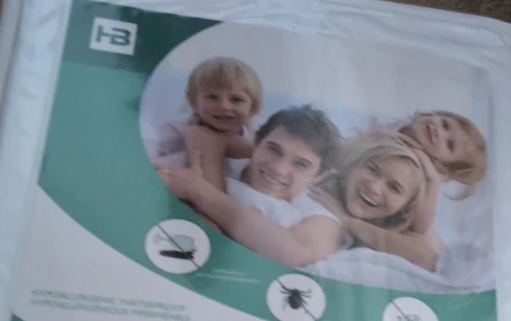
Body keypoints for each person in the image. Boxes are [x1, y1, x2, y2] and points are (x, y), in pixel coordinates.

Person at [155, 105, 344, 269]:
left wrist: (198, 190)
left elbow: (294, 252)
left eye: (300, 164)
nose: (279, 168)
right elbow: (201, 137)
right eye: (274, 149)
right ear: (256, 140)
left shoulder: (318, 215)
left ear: (320, 176)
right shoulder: (220, 164)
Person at [310, 130, 443, 271]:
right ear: (356, 165)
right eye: (373, 170)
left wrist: (349, 223)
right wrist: (373, 134)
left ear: (405, 207)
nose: (374, 188)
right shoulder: (328, 182)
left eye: (394, 188)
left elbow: (429, 260)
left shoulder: (401, 232)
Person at [153, 57, 262, 191]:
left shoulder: (257, 135)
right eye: (212, 97)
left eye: (236, 99)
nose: (224, 106)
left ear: (253, 106)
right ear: (194, 101)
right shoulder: (175, 131)